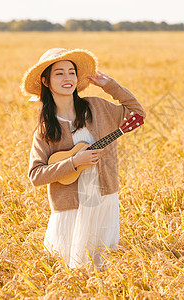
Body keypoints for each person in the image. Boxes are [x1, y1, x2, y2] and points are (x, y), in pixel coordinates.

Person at [21, 48, 146, 269]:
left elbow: (137, 114)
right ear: (46, 81)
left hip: (104, 199)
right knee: (70, 271)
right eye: (59, 73)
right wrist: (75, 162)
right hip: (70, 208)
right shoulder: (45, 129)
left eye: (72, 72)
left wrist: (110, 85)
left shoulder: (97, 107)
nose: (67, 78)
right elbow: (35, 175)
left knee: (104, 266)